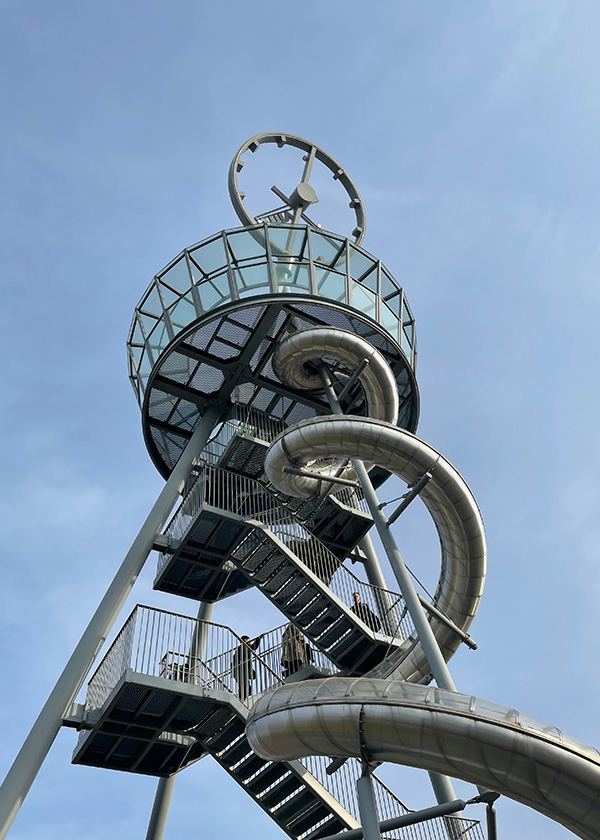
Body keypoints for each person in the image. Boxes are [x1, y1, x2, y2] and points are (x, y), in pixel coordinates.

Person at [231, 634, 264, 700]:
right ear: (245, 640)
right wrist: (259, 638)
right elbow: (254, 647)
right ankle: (240, 699)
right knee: (245, 687)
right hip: (242, 670)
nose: (249, 642)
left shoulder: (240, 649)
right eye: (248, 641)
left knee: (244, 686)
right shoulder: (244, 647)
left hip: (240, 670)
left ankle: (241, 698)